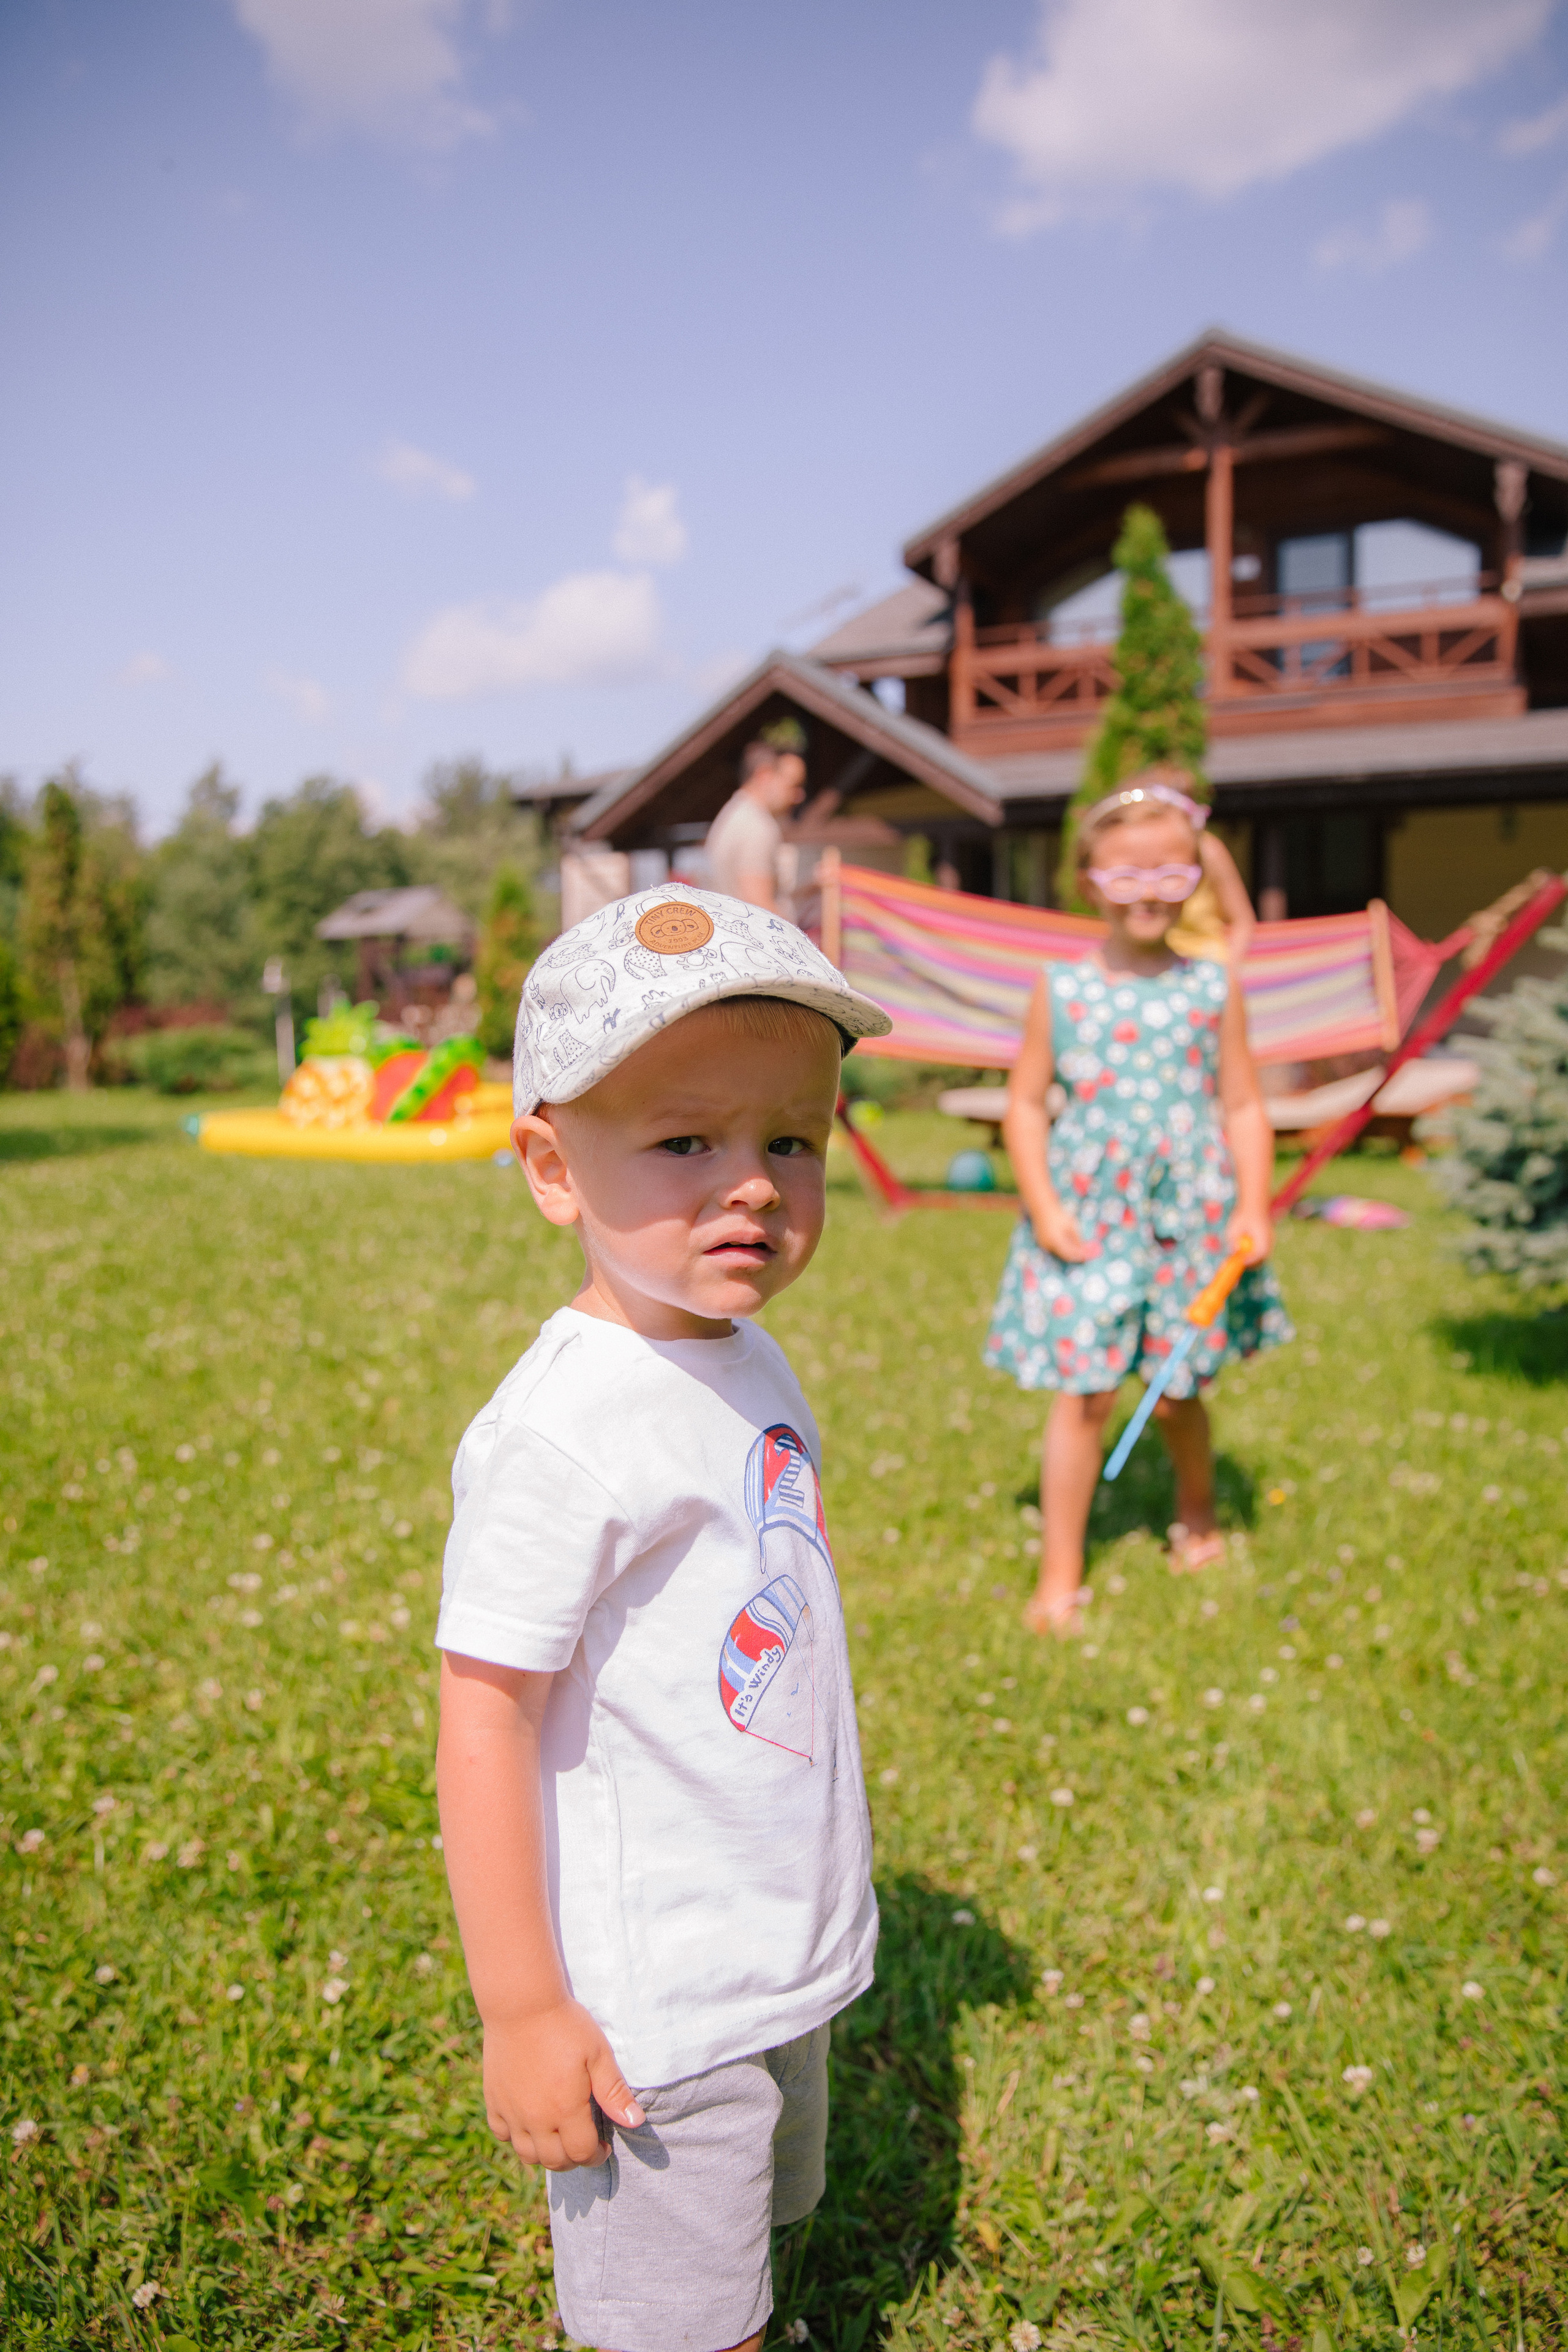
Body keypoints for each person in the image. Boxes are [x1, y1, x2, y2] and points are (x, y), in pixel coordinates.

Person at [434, 883, 892, 2352]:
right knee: (684, 2319)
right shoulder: (561, 1432)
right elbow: (483, 1719)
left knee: (749, 2239)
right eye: (684, 1140)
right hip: (655, 1994)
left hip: (768, 1934)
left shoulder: (748, 1355)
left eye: (789, 1141)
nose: (751, 1183)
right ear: (551, 1165)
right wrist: (522, 2007)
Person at [986, 774, 1291, 1633]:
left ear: (1193, 876)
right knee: (1084, 1394)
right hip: (1089, 1221)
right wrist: (1044, 1205)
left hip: (1189, 1224)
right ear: (1090, 885)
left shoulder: (1211, 986)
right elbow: (1023, 1101)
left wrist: (1254, 1206)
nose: (1149, 891)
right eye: (1127, 873)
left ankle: (1197, 1510)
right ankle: (1059, 1573)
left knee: (1175, 1389)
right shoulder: (1063, 987)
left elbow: (1242, 1105)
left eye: (1170, 871)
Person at [704, 723, 808, 914]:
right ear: (764, 775)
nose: (799, 796)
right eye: (793, 785)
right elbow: (759, 907)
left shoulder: (733, 813)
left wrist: (810, 887)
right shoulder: (758, 826)